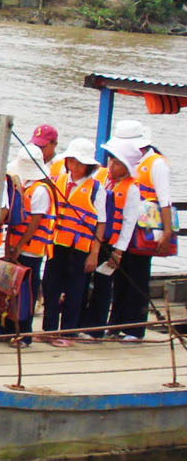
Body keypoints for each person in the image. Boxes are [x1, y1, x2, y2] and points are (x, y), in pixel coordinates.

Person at [115, 120, 174, 339]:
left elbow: (165, 199)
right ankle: (118, 323)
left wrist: (167, 232)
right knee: (122, 274)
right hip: (126, 226)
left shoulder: (156, 163)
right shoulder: (131, 162)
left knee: (138, 275)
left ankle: (135, 328)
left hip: (144, 230)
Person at [41, 138, 103, 347]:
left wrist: (94, 253)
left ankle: (68, 331)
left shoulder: (96, 189)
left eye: (79, 163)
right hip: (56, 243)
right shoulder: (57, 180)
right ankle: (49, 329)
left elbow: (100, 223)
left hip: (80, 247)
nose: (74, 167)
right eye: (71, 162)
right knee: (50, 286)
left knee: (75, 290)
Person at [2, 144, 56, 347]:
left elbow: (35, 222)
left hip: (30, 249)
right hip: (16, 244)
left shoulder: (40, 190)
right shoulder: (24, 186)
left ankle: (24, 333)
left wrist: (20, 244)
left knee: (27, 291)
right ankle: (6, 327)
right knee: (11, 288)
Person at [97, 137, 146, 340]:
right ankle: (110, 324)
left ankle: (129, 327)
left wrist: (118, 251)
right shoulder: (105, 180)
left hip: (116, 243)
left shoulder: (132, 189)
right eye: (111, 161)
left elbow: (129, 222)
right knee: (104, 284)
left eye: (117, 163)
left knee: (114, 284)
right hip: (100, 239)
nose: (112, 166)